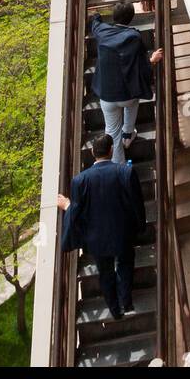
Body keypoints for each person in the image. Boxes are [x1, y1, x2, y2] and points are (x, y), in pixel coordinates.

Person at [57, 132, 146, 321]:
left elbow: (78, 210)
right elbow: (136, 203)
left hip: (96, 238)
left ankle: (115, 311)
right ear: (111, 150)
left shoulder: (80, 181)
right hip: (122, 232)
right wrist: (140, 226)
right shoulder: (125, 172)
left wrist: (66, 206)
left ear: (92, 152)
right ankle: (126, 302)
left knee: (105, 273)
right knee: (125, 264)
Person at [91, 0, 163, 164]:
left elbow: (95, 23)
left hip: (107, 95)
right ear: (131, 18)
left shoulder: (102, 32)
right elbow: (142, 66)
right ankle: (128, 134)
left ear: (114, 16)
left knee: (111, 133)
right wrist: (152, 60)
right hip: (127, 95)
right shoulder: (134, 37)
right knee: (133, 100)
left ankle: (118, 167)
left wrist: (96, 13)